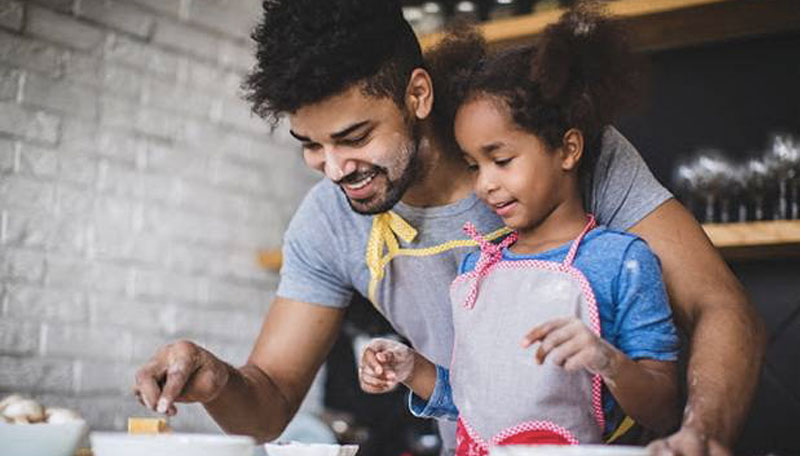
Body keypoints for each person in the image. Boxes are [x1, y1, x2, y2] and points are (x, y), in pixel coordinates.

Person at [132, 1, 765, 454]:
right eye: (310, 146)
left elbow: (721, 305)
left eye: (354, 137)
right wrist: (217, 380)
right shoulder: (326, 223)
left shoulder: (542, 149)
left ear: (416, 94)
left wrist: (702, 434)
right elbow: (268, 407)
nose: (333, 170)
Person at [357, 10, 680, 453]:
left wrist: (608, 361)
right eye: (474, 165)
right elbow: (473, 401)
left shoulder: (620, 260)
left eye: (502, 160)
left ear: (568, 149)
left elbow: (663, 408)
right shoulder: (478, 265)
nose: (485, 183)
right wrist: (411, 367)